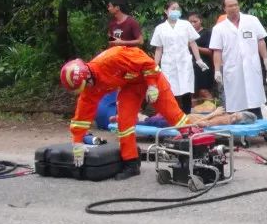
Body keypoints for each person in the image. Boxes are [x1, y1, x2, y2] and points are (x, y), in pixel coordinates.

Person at [59, 46, 189, 180]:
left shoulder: (113, 58)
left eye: (85, 85)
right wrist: (77, 142)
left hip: (150, 79)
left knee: (175, 117)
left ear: (87, 76)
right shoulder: (89, 86)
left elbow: (147, 62)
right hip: (130, 87)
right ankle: (131, 163)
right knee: (124, 124)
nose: (86, 89)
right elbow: (82, 115)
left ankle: (195, 146)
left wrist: (152, 85)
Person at [210, 0, 267, 118]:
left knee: (254, 99)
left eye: (236, 4)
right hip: (233, 69)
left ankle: (259, 126)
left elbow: (260, 40)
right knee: (236, 101)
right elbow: (217, 51)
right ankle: (241, 132)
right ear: (224, 8)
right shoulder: (219, 28)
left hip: (251, 67)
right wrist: (217, 70)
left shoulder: (252, 20)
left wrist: (265, 59)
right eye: (230, 6)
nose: (234, 8)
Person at [150, 1, 209, 114]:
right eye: (173, 8)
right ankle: (172, 115)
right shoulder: (160, 28)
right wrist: (154, 65)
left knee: (186, 88)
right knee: (169, 89)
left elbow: (192, 43)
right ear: (166, 11)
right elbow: (159, 49)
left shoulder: (186, 25)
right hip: (168, 63)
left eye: (177, 8)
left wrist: (199, 60)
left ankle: (186, 114)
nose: (175, 10)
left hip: (184, 61)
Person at [188, 12, 215, 102]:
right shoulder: (186, 34)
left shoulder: (207, 33)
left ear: (200, 21)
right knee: (191, 93)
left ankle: (214, 111)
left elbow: (210, 51)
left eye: (195, 21)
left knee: (204, 91)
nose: (192, 24)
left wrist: (194, 46)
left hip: (204, 66)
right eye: (190, 22)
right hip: (190, 66)